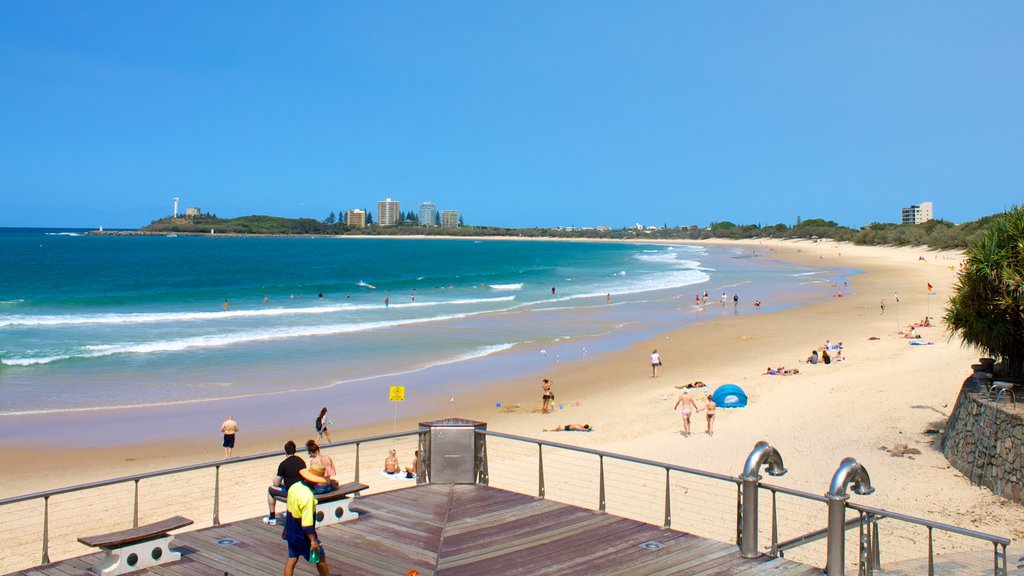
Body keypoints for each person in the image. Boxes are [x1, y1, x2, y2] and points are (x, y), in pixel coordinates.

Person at [282, 464, 331, 576]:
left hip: (291, 530)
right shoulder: (308, 495)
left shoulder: (294, 486)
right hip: (302, 534)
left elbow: (289, 508)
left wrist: (286, 528)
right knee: (321, 559)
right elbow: (307, 523)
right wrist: (313, 541)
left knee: (292, 558)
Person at [264, 441, 305, 525]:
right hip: (301, 490)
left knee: (270, 490)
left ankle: (272, 517)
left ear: (285, 451)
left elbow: (276, 483)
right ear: (295, 450)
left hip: (291, 493)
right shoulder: (301, 462)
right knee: (287, 486)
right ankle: (290, 511)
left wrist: (275, 479)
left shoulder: (283, 464)